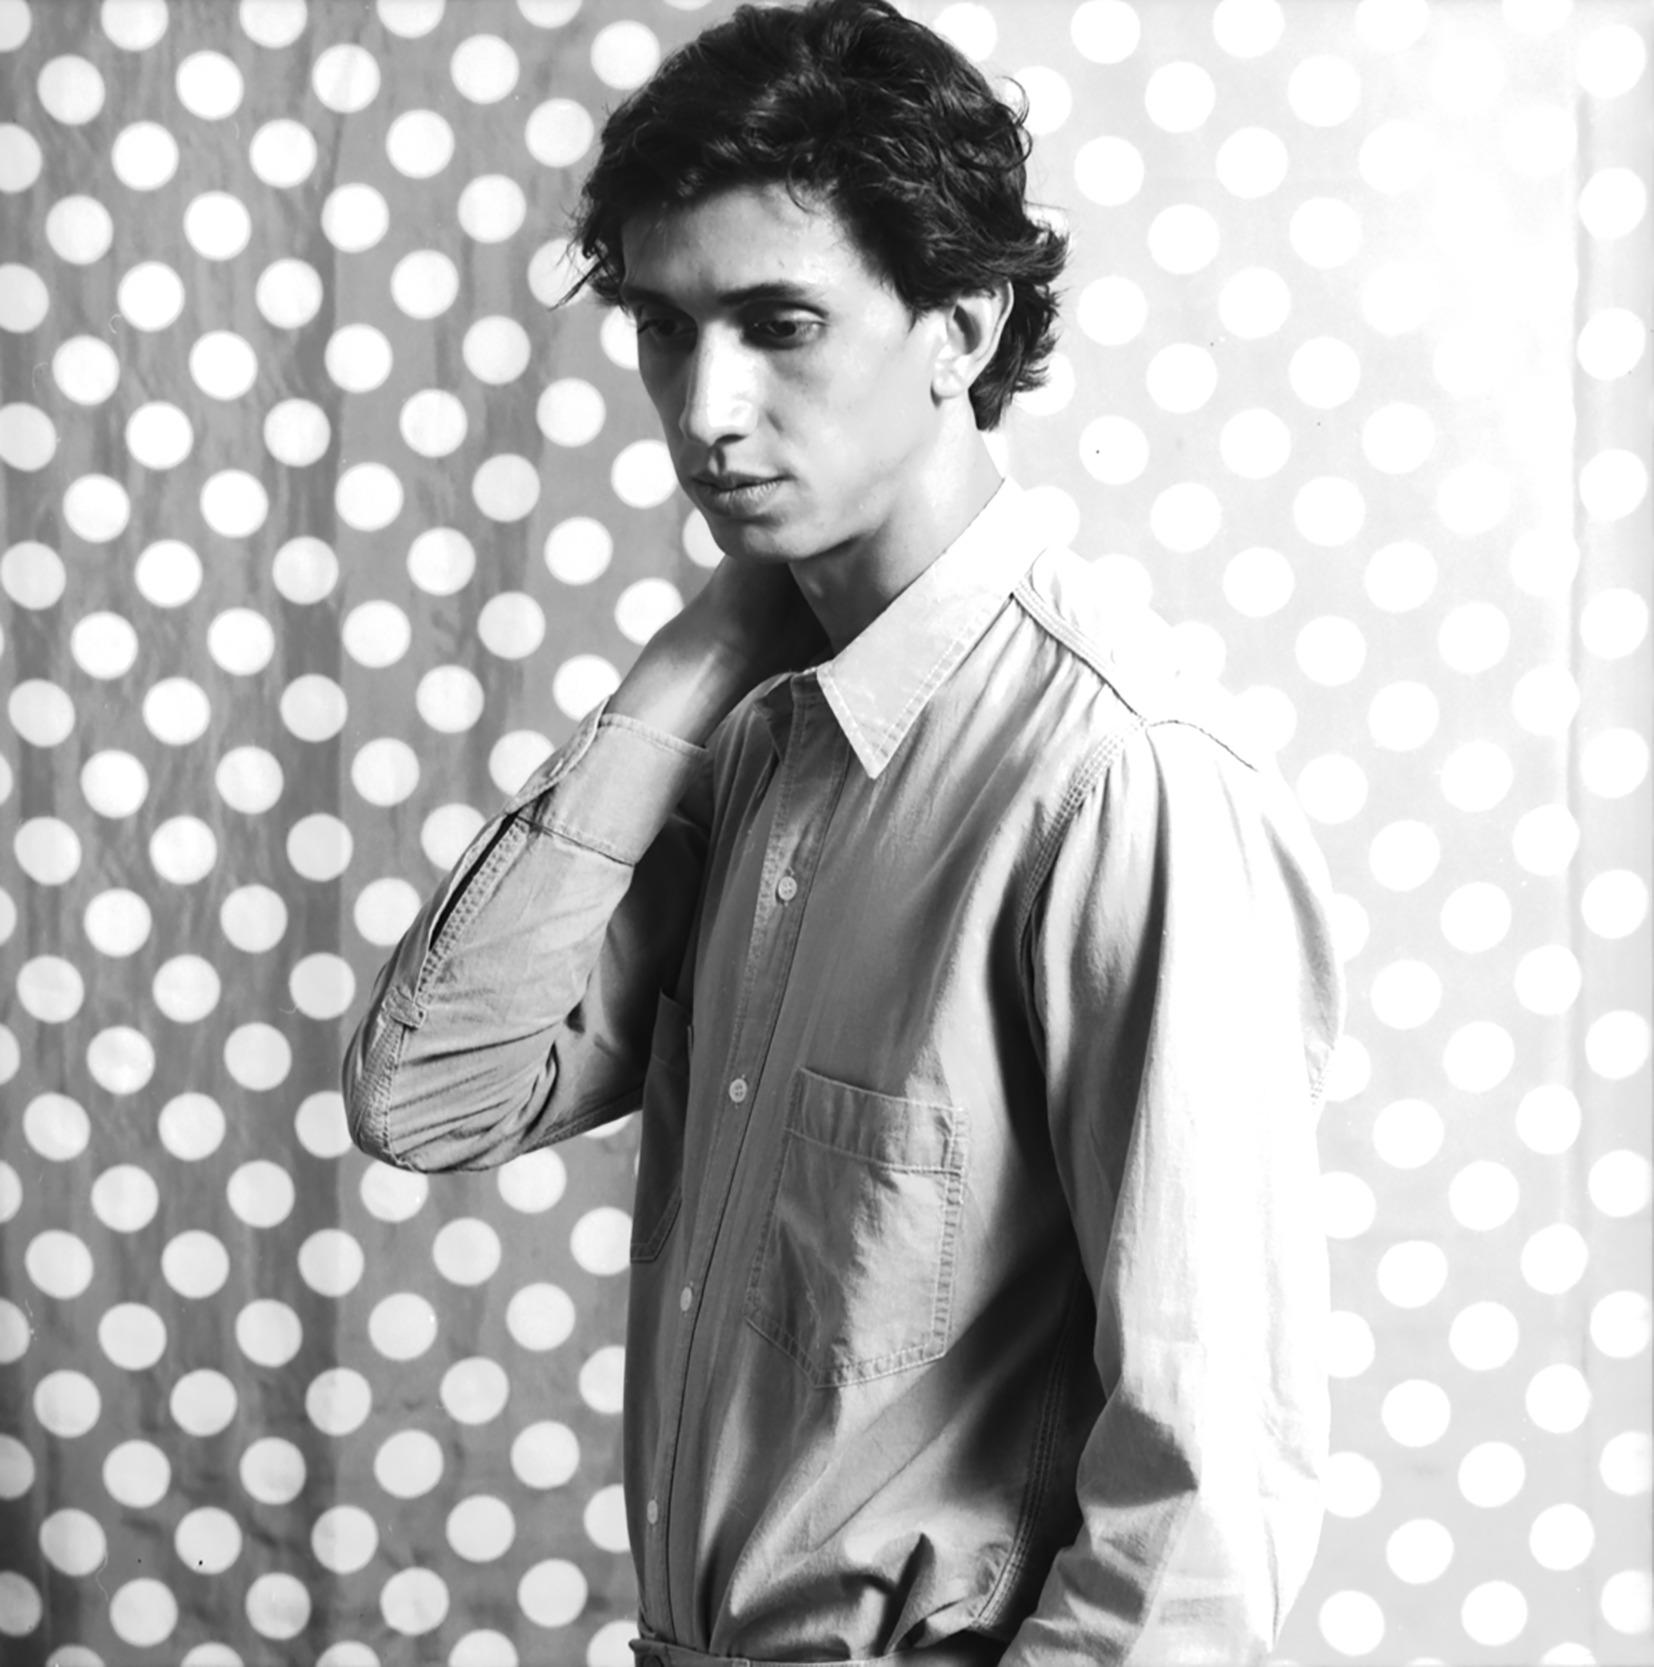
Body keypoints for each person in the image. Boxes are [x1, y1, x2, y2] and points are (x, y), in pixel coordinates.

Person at [342, 2, 1344, 1661]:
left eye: (778, 323)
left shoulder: (1118, 779)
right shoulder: (752, 735)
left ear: (959, 326)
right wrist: (685, 673)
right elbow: (431, 1097)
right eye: (663, 328)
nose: (705, 407)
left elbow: (1203, 1500)